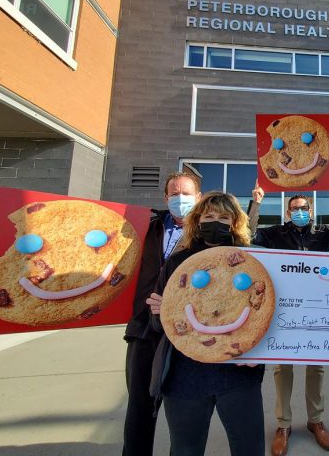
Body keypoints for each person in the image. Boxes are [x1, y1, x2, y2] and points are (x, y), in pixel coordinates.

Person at [146, 192, 265, 456]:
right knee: (185, 449)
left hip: (238, 375)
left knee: (249, 448)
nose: (216, 222)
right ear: (197, 220)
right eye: (209, 216)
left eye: (224, 217)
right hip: (184, 379)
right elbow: (158, 325)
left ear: (234, 223)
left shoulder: (252, 262)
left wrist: (261, 352)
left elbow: (266, 317)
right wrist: (158, 312)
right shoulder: (178, 262)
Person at [247, 180, 329, 456]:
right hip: (284, 309)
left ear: (310, 210)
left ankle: (315, 421)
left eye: (303, 208)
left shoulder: (322, 233)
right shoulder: (274, 234)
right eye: (294, 208)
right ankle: (283, 425)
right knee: (282, 368)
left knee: (316, 367)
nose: (299, 211)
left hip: (316, 309)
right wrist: (256, 203)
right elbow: (246, 235)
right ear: (287, 213)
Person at [122, 172, 201, 456]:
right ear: (166, 198)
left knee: (183, 412)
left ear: (199, 198)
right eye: (175, 194)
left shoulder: (207, 234)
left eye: (187, 194)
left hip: (187, 331)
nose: (181, 199)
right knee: (139, 409)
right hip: (144, 328)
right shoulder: (145, 227)